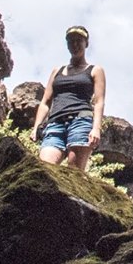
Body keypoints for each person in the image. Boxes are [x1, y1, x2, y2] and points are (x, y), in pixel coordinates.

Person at [34, 25, 105, 172]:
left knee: (73, 173)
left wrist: (96, 128)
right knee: (45, 171)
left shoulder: (95, 70)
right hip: (55, 124)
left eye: (79, 40)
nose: (75, 44)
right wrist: (36, 127)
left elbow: (98, 102)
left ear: (86, 43)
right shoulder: (57, 70)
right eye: (71, 41)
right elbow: (46, 102)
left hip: (81, 121)